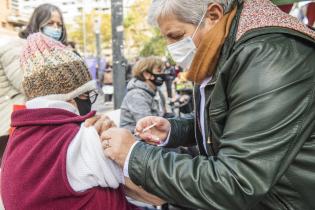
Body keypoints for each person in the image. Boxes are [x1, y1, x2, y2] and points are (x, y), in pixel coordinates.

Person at [101, 0, 315, 209]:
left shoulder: (267, 56)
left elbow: (235, 182)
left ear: (213, 16)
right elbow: (233, 122)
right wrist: (174, 130)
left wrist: (134, 155)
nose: (171, 48)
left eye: (176, 36)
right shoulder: (224, 49)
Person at [1, 33, 163, 210]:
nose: (89, 104)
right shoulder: (83, 139)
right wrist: (123, 143)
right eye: (87, 95)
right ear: (71, 97)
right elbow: (157, 195)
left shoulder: (14, 142)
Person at [0, 3, 68, 161]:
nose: (56, 28)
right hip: (13, 127)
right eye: (50, 23)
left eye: (59, 24)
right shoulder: (16, 48)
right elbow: (29, 84)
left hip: (34, 124)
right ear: (37, 23)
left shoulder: (52, 51)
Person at [120, 56, 165, 133]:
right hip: (135, 139)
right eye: (159, 71)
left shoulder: (156, 91)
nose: (163, 74)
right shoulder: (136, 95)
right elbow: (147, 126)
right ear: (146, 74)